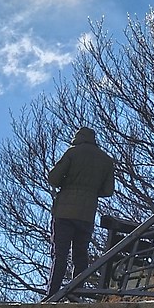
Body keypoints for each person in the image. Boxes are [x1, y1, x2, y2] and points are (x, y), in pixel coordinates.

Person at [47, 127, 115, 296]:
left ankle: (52, 293)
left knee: (60, 254)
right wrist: (91, 191)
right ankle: (76, 292)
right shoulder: (106, 160)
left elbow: (53, 178)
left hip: (64, 212)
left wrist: (68, 183)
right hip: (86, 214)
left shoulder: (72, 153)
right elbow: (108, 190)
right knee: (80, 254)